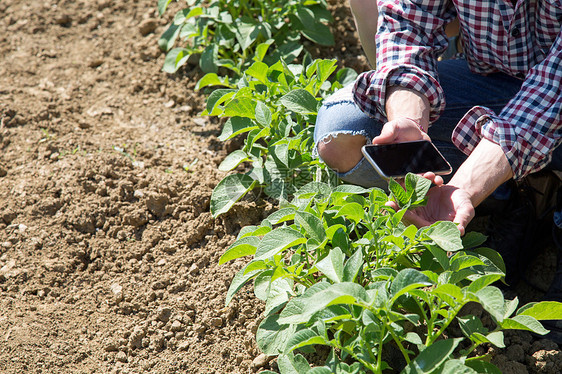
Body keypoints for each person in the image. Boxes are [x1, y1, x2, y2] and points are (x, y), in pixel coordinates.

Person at [315, 1, 562, 339]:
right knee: (342, 129)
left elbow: (552, 96)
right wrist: (408, 119)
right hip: (498, 83)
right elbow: (408, 22)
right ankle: (520, 196)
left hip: (553, 95)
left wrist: (472, 178)